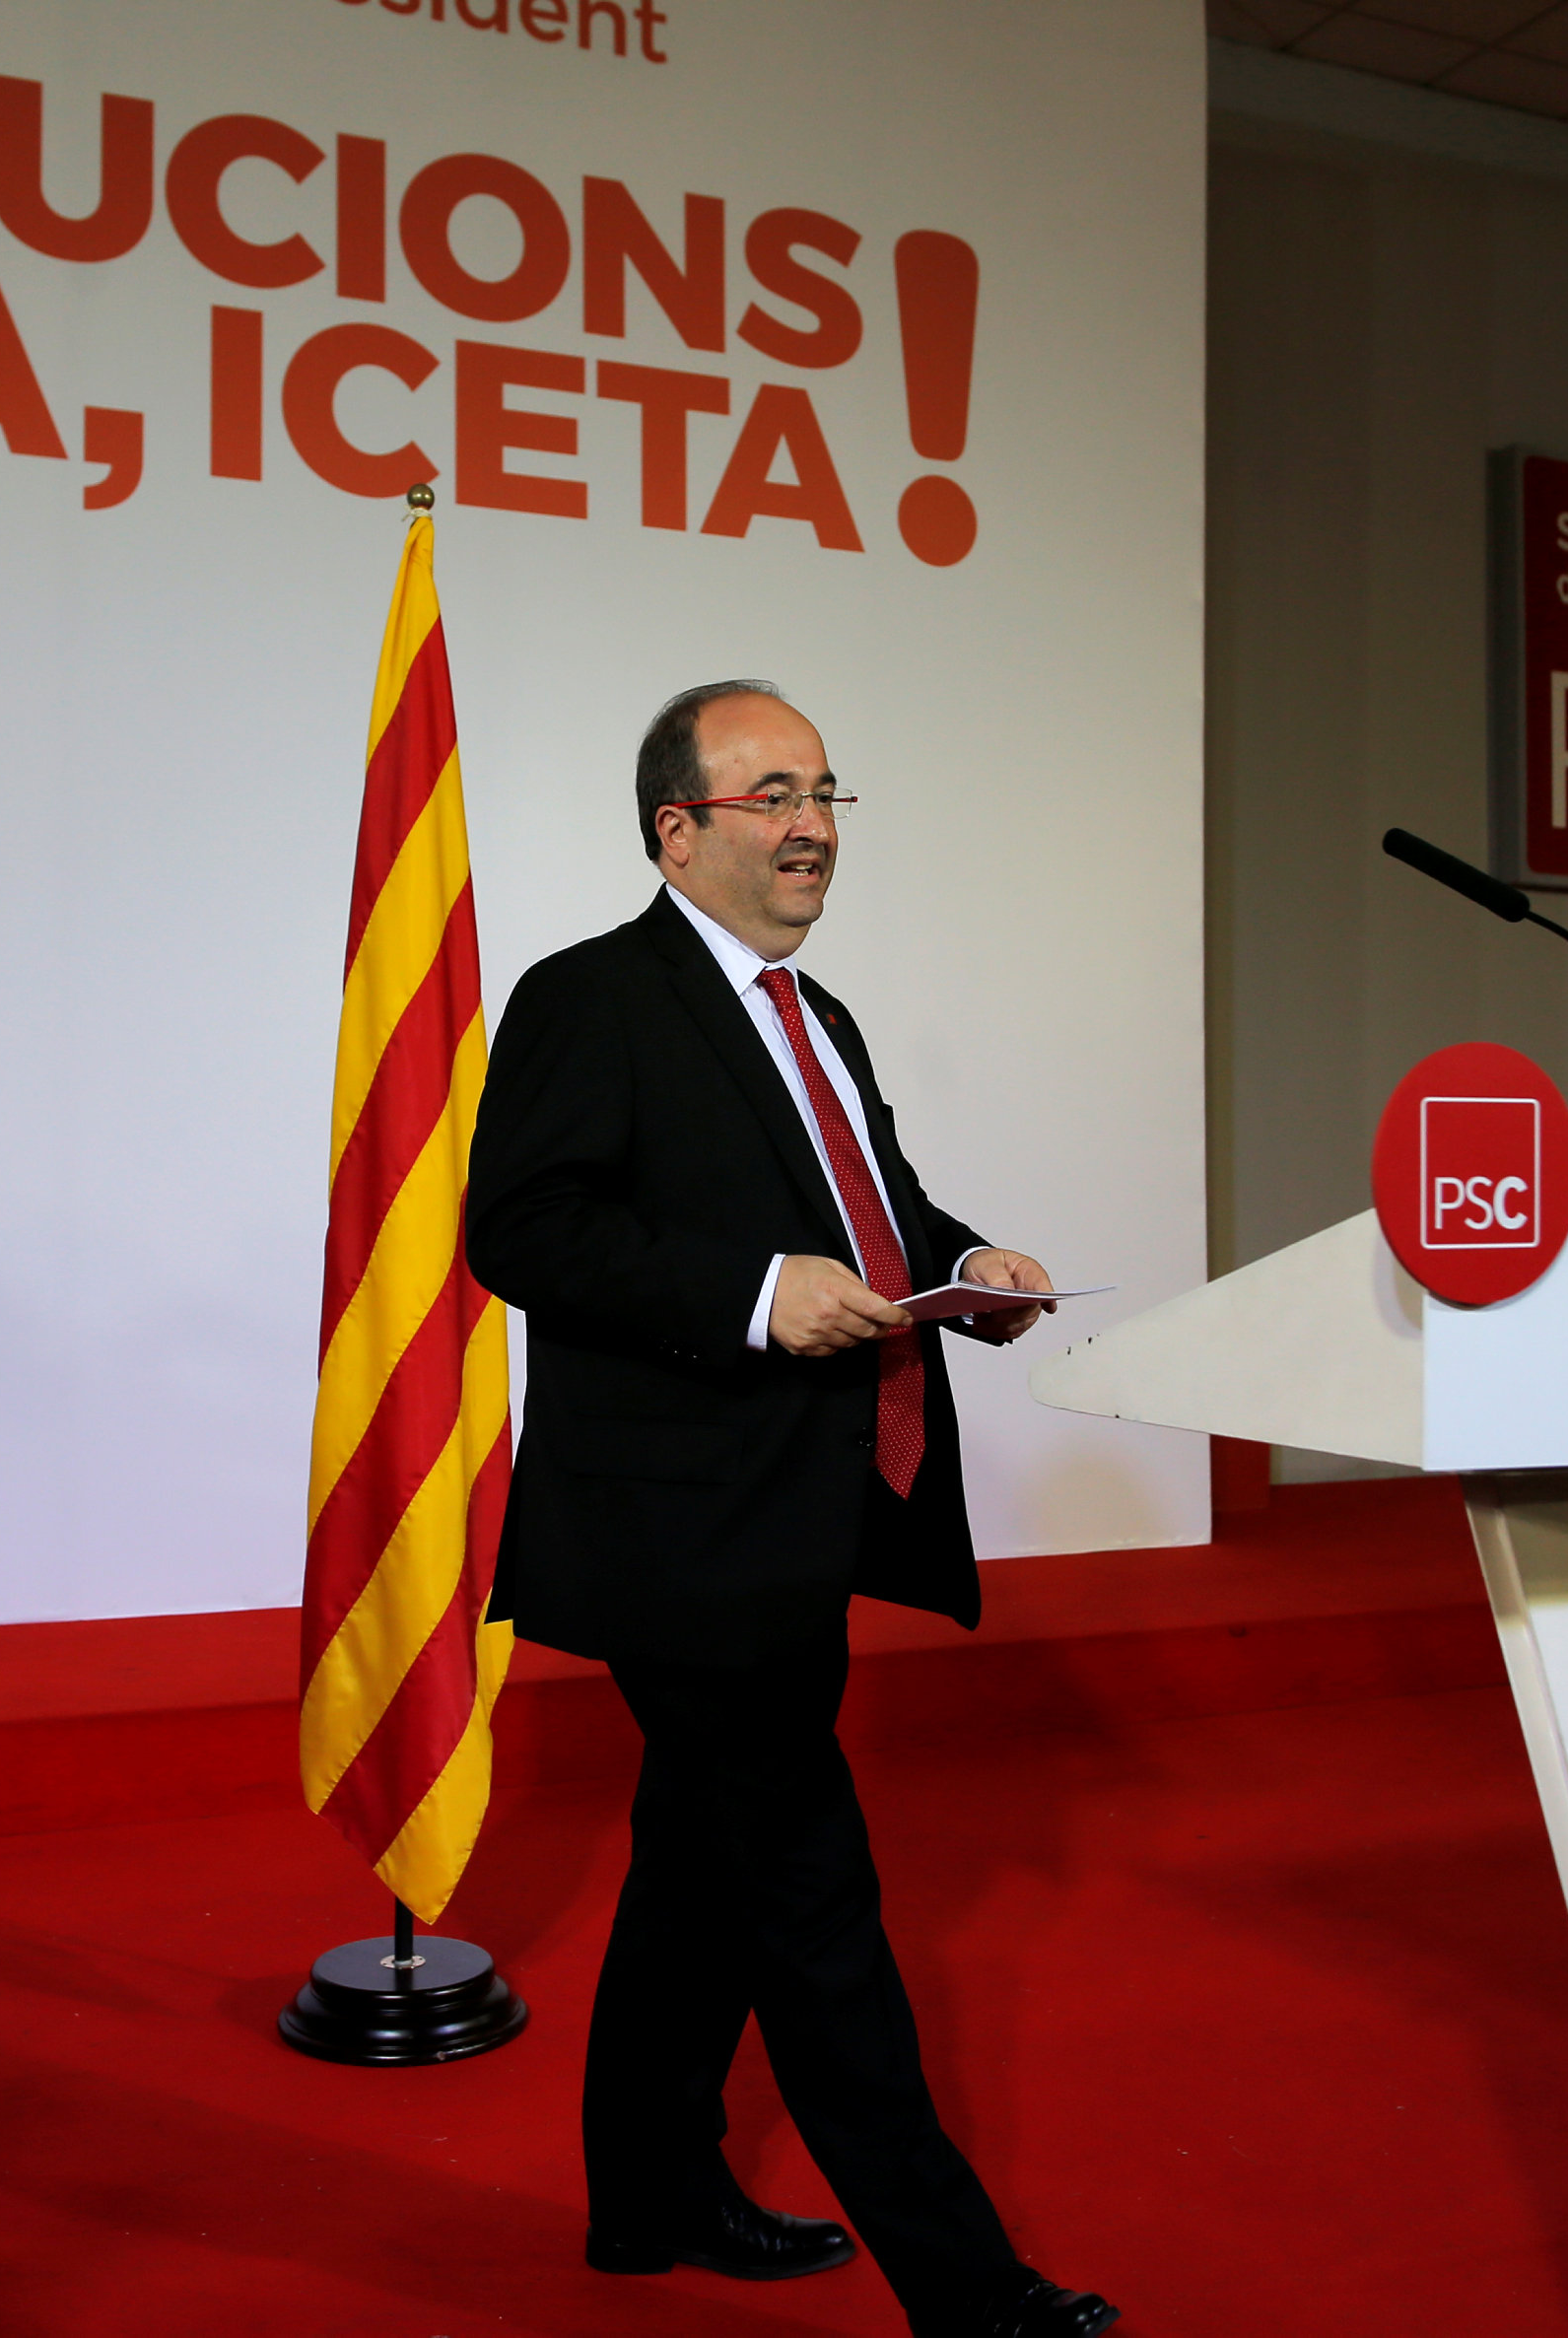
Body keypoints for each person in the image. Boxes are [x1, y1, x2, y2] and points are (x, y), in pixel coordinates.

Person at [465, 682, 1119, 2338]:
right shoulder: (588, 998)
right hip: (675, 1543)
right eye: (770, 794)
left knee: (699, 1872)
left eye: (825, 788)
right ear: (677, 829)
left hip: (799, 1521)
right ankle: (972, 2294)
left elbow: (874, 1203)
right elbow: (523, 1231)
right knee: (815, 1902)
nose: (812, 821)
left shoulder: (821, 1020)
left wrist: (963, 1262)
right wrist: (756, 1296)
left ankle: (652, 2196)